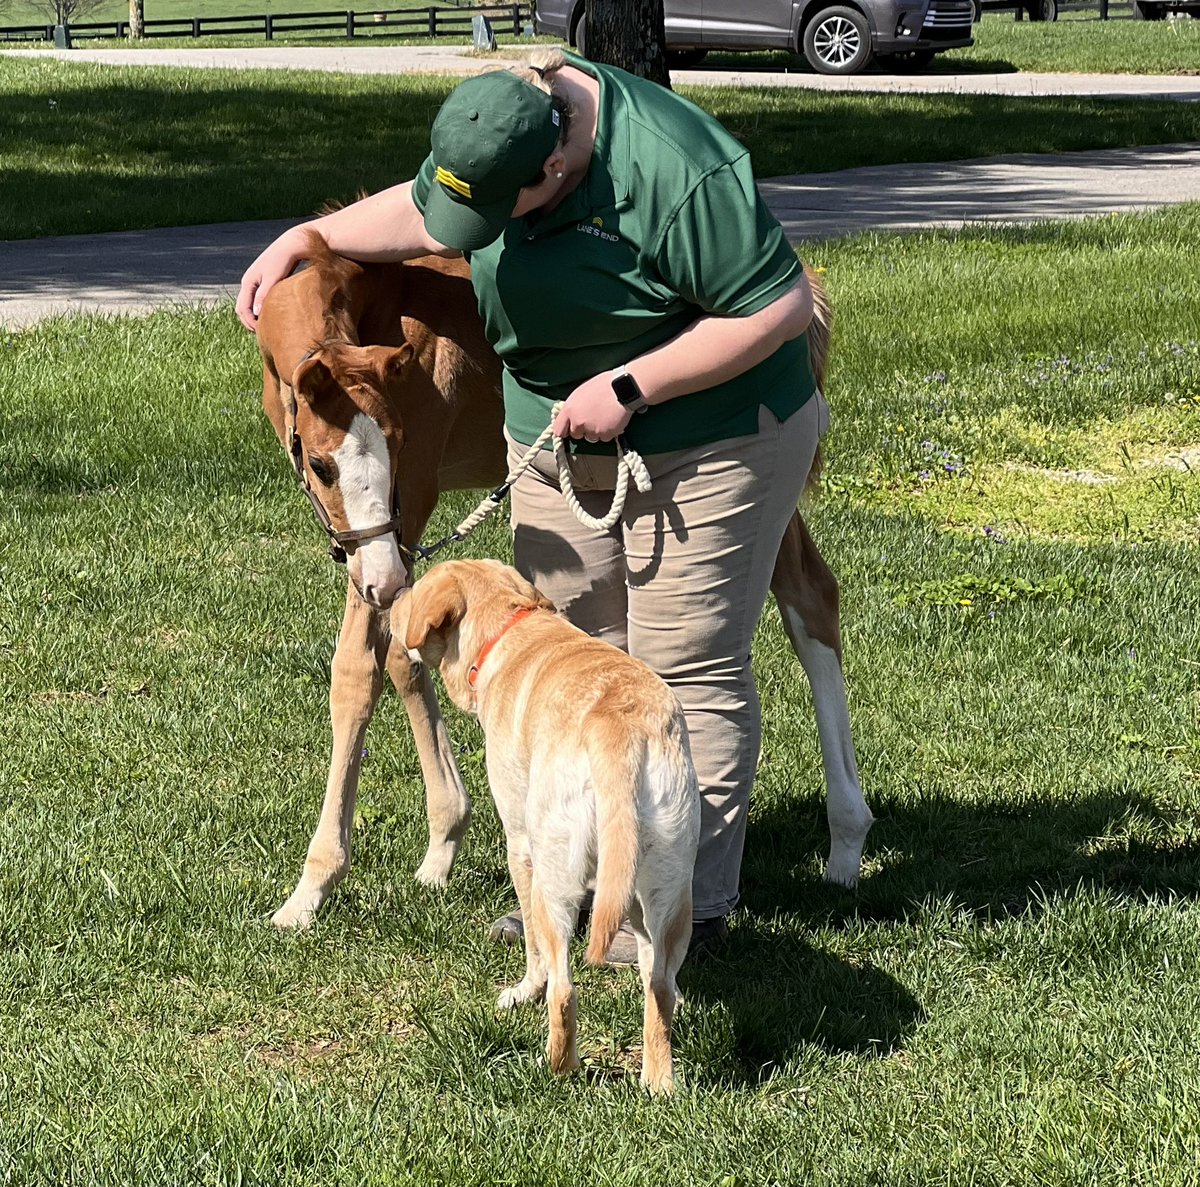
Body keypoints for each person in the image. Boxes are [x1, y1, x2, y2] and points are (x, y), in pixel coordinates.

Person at [237, 48, 824, 964]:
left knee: (681, 668)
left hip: (715, 430)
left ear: (554, 171)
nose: (460, 236)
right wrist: (300, 246)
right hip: (562, 431)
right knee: (575, 657)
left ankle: (682, 915)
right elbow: (417, 210)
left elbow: (779, 307)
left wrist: (631, 387)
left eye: (487, 217)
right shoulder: (499, 125)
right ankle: (582, 878)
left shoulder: (674, 168)